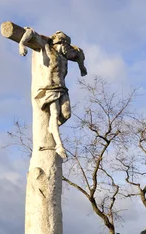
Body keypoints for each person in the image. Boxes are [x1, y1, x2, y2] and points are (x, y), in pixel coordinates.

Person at [18, 28, 87, 160]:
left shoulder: (65, 54)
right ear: (57, 43)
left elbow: (79, 53)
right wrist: (21, 44)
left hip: (62, 88)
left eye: (67, 45)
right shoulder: (47, 47)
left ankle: (52, 126)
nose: (65, 47)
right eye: (63, 44)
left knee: (66, 114)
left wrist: (82, 67)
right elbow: (30, 33)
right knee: (54, 114)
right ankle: (59, 145)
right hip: (49, 88)